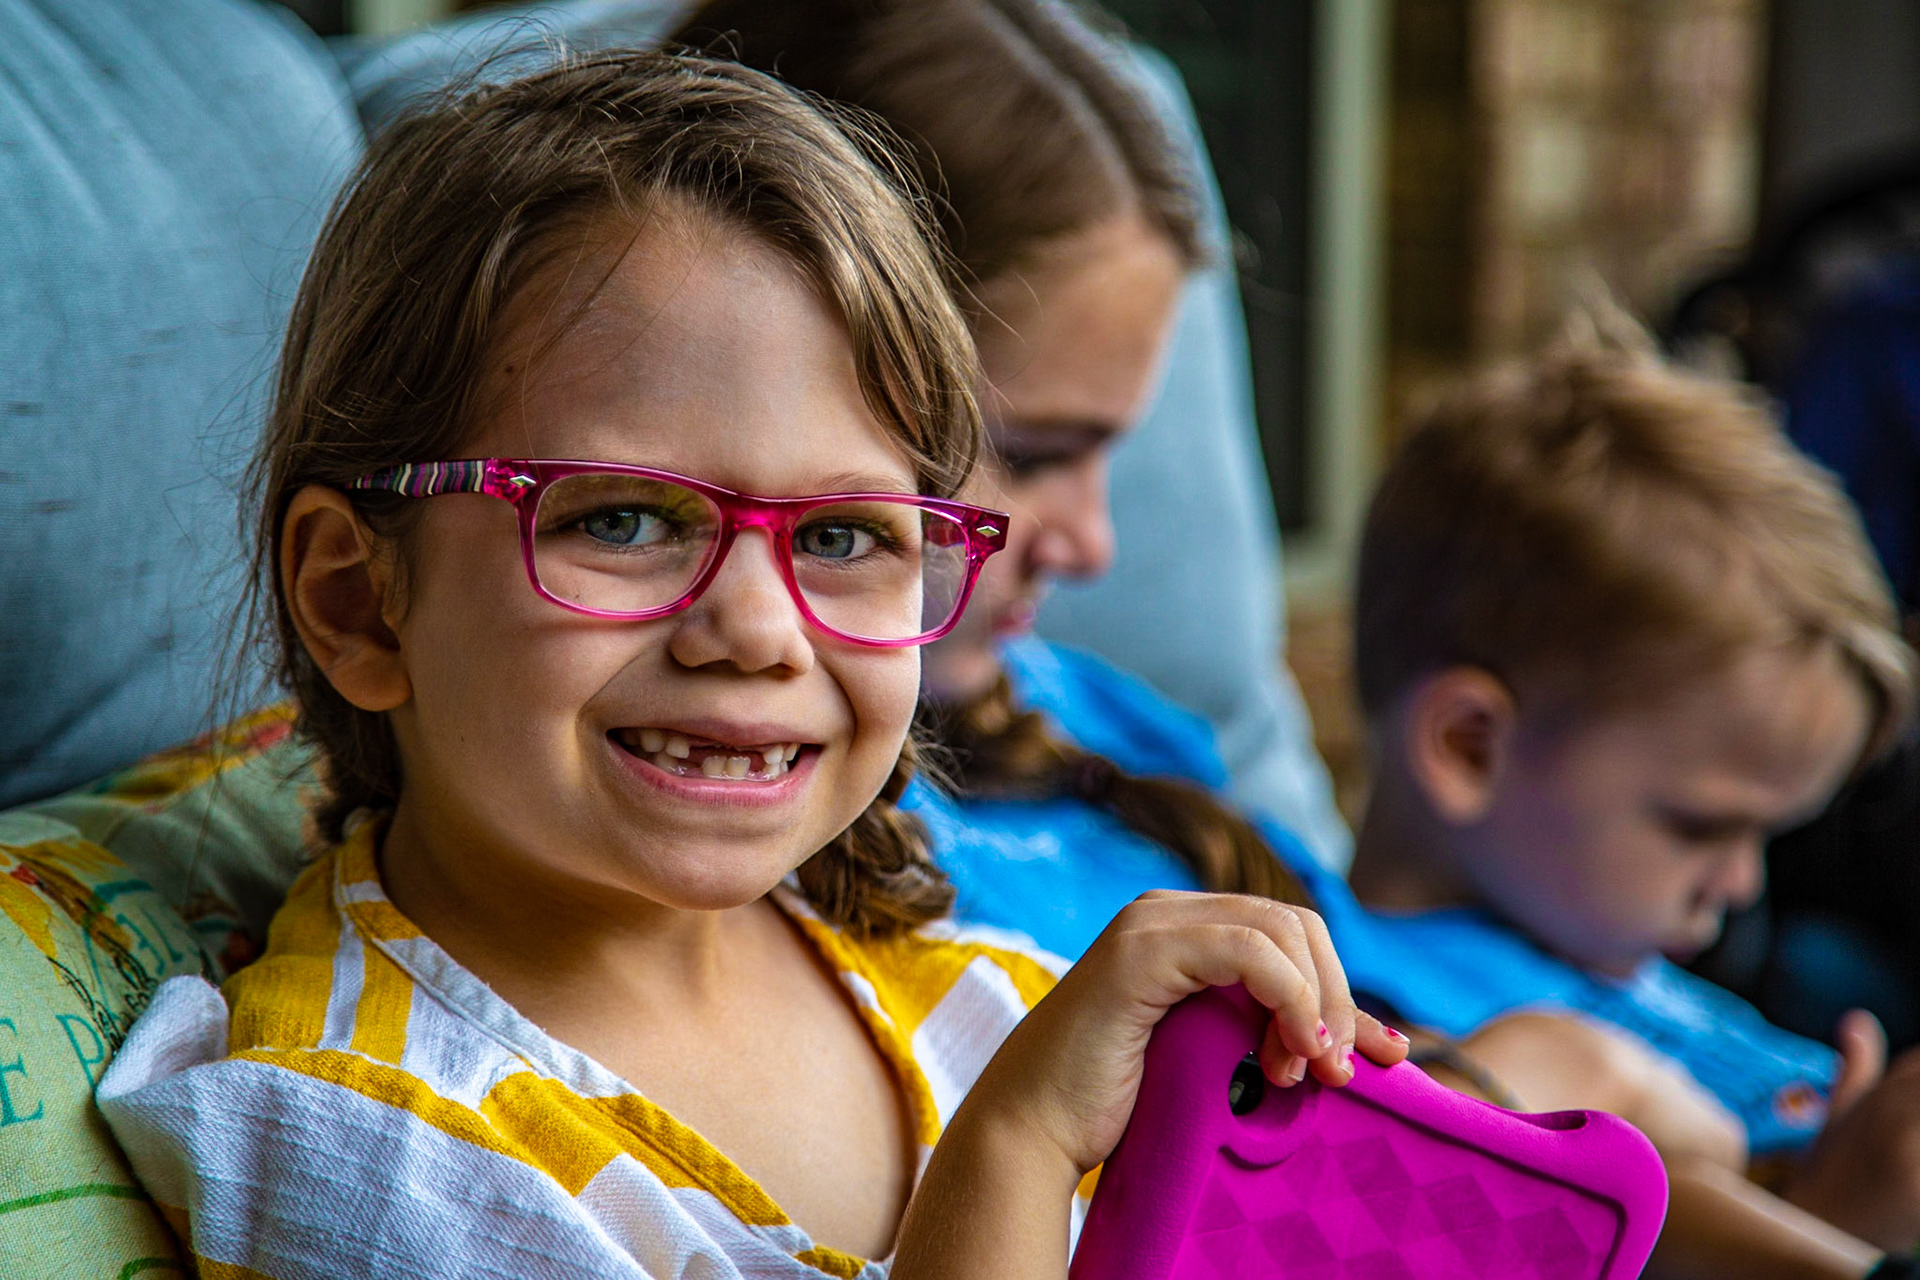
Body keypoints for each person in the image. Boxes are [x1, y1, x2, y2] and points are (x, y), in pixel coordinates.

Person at [93, 52, 1400, 1276]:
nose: (761, 631)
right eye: (624, 520)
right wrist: (1013, 1153)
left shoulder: (970, 993)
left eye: (841, 536)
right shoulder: (355, 1142)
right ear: (359, 605)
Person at [669, 0, 1336, 960]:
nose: (1094, 547)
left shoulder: (1102, 717)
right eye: (1032, 455)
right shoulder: (759, 833)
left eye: (1108, 455)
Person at [1291, 321, 1920, 1277]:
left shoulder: (1612, 955)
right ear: (1469, 745)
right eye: (1701, 826)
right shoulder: (1369, 1033)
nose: (1741, 883)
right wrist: (1829, 1228)